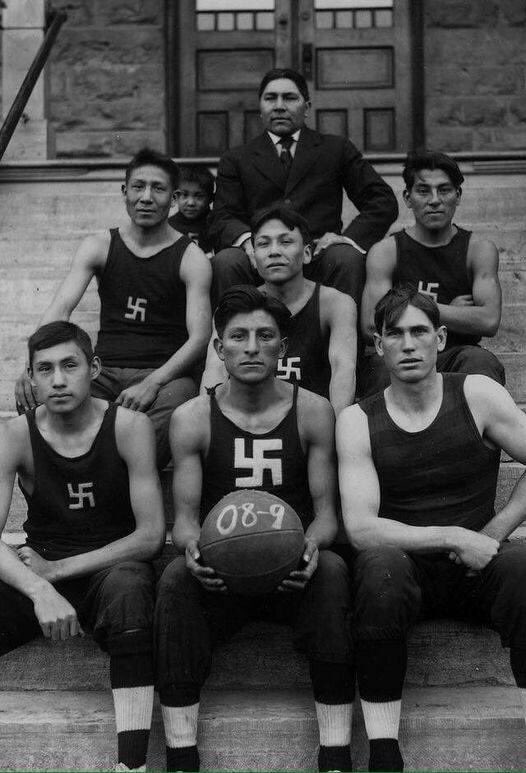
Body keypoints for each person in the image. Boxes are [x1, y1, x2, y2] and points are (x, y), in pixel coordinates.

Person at [155, 287, 354, 772]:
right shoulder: (191, 418)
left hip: (293, 571)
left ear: (283, 348)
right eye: (238, 337)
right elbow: (182, 521)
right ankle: (181, 753)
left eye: (265, 336)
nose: (251, 347)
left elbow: (328, 512)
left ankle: (335, 752)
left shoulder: (313, 410)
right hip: (221, 574)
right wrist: (193, 550)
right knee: (175, 580)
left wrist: (310, 545)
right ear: (219, 349)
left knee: (331, 571)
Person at [337, 286, 526, 772]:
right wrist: (453, 536)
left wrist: (497, 529)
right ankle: (383, 752)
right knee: (377, 569)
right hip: (407, 569)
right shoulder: (358, 420)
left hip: (476, 569)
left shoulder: (476, 393)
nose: (408, 344)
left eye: (419, 331)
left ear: (440, 338)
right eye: (394, 334)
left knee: (524, 566)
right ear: (378, 346)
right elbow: (361, 529)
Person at [0, 321, 165, 771]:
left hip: (112, 565)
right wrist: (40, 587)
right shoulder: (16, 434)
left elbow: (150, 537)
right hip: (43, 566)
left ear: (92, 368)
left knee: (132, 593)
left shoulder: (128, 425)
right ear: (30, 378)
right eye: (45, 369)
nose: (57, 380)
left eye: (69, 365)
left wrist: (57, 570)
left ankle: (132, 765)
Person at [15, 147, 212, 468]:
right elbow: (60, 308)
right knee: (38, 392)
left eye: (158, 188)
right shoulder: (100, 245)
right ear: (124, 192)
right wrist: (32, 361)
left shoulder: (191, 257)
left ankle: (110, 478)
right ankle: (70, 482)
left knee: (180, 403)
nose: (146, 197)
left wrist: (154, 382)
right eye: (138, 187)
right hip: (102, 371)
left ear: (173, 198)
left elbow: (199, 337)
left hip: (162, 373)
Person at [209, 67, 398, 305]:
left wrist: (345, 239)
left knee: (346, 257)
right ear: (260, 108)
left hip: (318, 256)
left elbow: (382, 201)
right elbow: (223, 216)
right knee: (226, 262)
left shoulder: (335, 149)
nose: (279, 106)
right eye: (270, 98)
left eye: (289, 98)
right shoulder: (237, 158)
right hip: (261, 258)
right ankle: (237, 336)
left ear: (306, 107)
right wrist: (248, 242)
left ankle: (342, 337)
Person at [360, 150, 504, 397]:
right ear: (408, 197)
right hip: (402, 351)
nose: (434, 200)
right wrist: (446, 310)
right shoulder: (386, 251)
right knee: (379, 369)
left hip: (456, 353)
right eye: (423, 191)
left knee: (481, 362)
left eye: (445, 190)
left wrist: (411, 306)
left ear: (458, 196)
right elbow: (370, 323)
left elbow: (489, 320)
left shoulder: (478, 249)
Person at [202, 205, 358, 414]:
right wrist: (208, 422)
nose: (274, 251)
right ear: (254, 257)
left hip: (313, 420)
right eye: (264, 244)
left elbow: (343, 369)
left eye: (285, 242)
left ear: (307, 253)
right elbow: (215, 370)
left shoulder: (336, 303)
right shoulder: (235, 306)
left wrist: (334, 430)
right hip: (252, 418)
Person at [168, 164, 215, 257]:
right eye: (184, 195)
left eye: (199, 196)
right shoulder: (169, 226)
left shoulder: (216, 224)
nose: (190, 203)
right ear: (175, 196)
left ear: (210, 199)